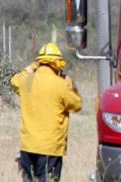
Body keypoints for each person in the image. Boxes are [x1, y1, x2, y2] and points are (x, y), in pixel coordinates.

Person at [11, 43, 82, 182]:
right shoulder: (61, 85)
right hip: (50, 149)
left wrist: (32, 67)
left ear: (39, 62)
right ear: (57, 64)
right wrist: (69, 83)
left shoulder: (27, 81)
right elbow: (77, 104)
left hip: (28, 147)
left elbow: (14, 81)